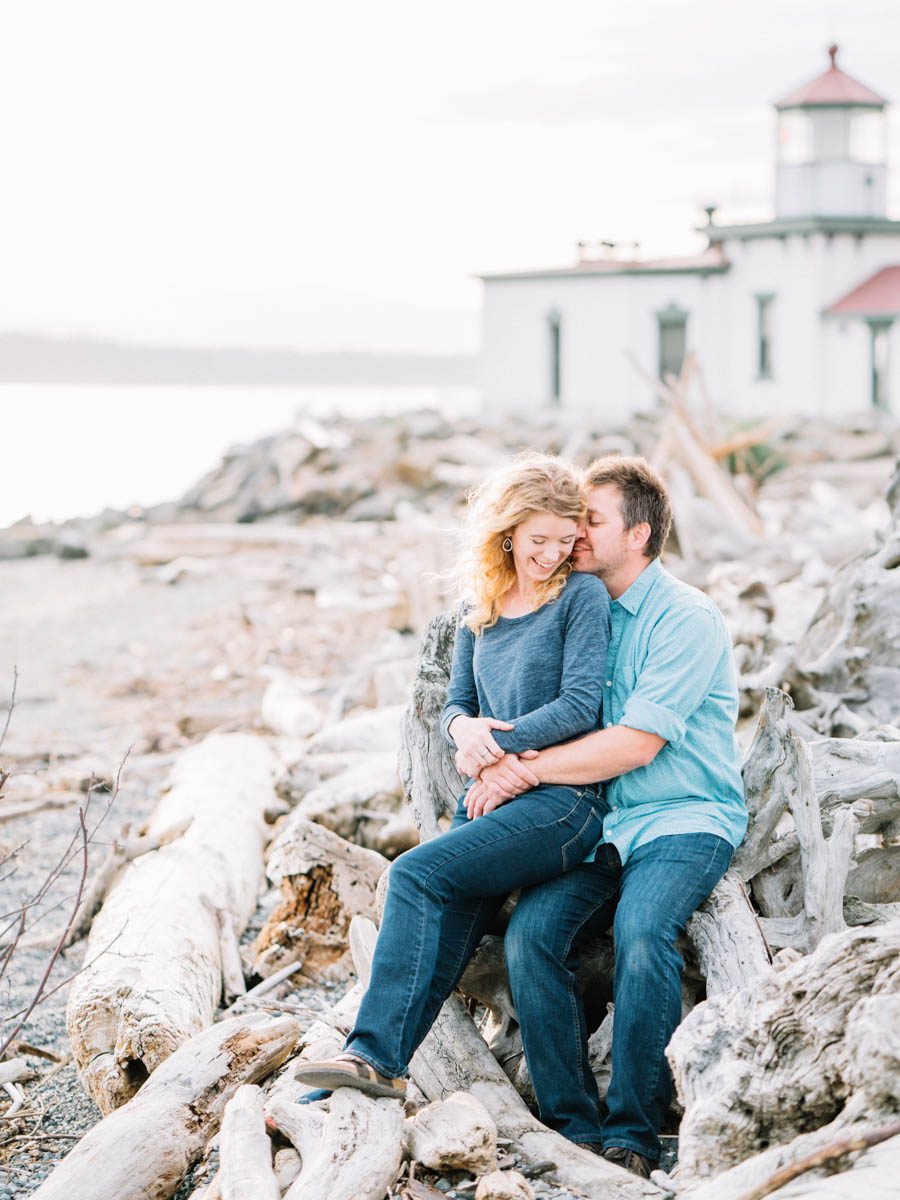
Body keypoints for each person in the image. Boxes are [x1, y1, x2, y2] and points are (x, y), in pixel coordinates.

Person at [461, 456, 748, 1179]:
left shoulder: (685, 616)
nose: (573, 534)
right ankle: (570, 1125)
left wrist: (519, 768)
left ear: (640, 534)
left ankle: (635, 1131)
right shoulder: (581, 606)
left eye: (591, 520)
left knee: (644, 933)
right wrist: (468, 729)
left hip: (684, 818)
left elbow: (636, 742)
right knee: (531, 936)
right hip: (603, 821)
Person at [295, 453, 611, 1099]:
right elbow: (457, 702)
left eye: (563, 540)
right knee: (448, 930)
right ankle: (370, 1071)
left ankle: (373, 1056)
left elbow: (581, 706)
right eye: (537, 540)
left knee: (412, 873)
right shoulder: (483, 604)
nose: (551, 554)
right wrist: (462, 732)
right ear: (506, 534)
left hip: (565, 805)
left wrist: (502, 757)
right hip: (495, 803)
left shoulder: (581, 596)